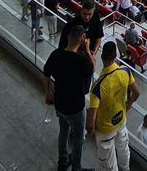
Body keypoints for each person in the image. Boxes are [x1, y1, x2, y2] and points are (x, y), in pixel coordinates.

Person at [44, 25, 93, 171]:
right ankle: (76, 168)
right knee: (79, 139)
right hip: (76, 108)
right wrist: (88, 49)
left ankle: (62, 161)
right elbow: (93, 67)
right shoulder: (81, 62)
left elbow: (45, 75)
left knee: (63, 132)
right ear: (82, 39)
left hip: (59, 103)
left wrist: (48, 92)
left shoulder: (56, 54)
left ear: (68, 37)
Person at [88, 41, 140, 171]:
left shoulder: (97, 87)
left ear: (102, 57)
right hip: (121, 120)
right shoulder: (125, 71)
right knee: (123, 150)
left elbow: (90, 121)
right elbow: (136, 93)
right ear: (115, 55)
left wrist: (90, 132)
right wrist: (127, 105)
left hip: (105, 130)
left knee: (108, 163)